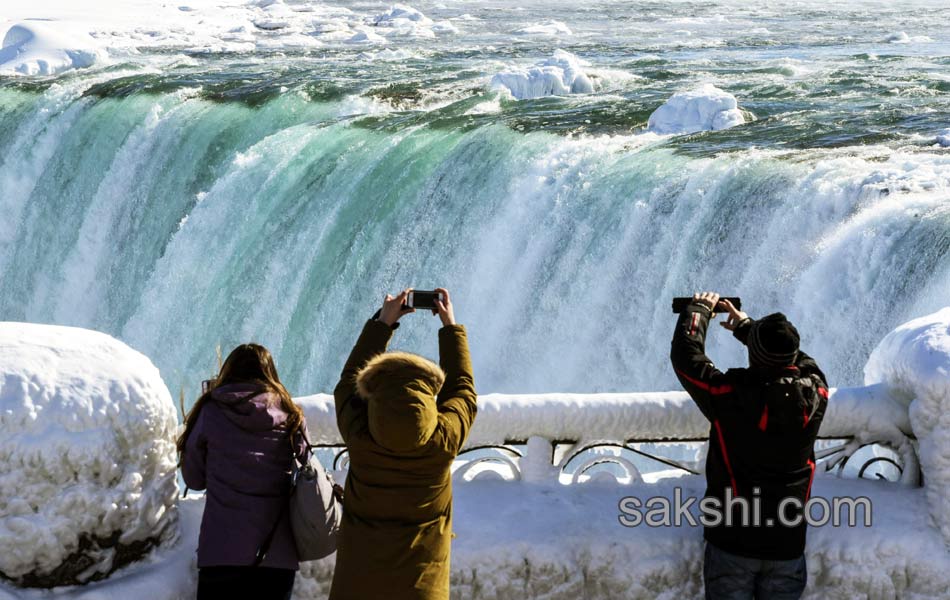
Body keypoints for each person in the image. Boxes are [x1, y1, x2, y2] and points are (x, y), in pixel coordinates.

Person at [671, 292, 829, 600]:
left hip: (732, 540)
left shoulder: (729, 394)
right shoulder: (814, 397)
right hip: (787, 542)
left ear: (754, 355)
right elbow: (807, 364)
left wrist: (698, 310)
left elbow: (686, 358)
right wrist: (749, 330)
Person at [329, 288, 477, 600]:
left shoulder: (361, 436)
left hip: (357, 588)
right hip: (423, 590)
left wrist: (383, 322)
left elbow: (346, 385)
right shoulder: (442, 441)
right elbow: (462, 390)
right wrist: (450, 327)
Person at [179, 343, 309, 600]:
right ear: (271, 375)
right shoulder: (291, 414)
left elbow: (192, 479)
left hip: (221, 552)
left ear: (228, 373)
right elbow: (307, 467)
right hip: (277, 553)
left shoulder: (211, 410)